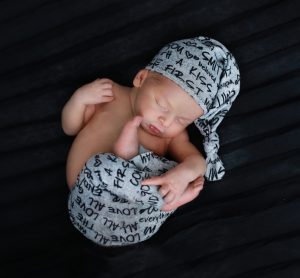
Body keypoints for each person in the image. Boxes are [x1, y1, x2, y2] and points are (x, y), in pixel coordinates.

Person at [62, 36, 240, 246]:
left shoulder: (173, 136)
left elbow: (198, 162)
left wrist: (183, 175)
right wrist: (79, 99)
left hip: (135, 219)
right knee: (102, 165)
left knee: (167, 173)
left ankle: (166, 200)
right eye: (163, 106)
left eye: (182, 120)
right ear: (141, 78)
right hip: (86, 196)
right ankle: (130, 162)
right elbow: (70, 128)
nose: (166, 121)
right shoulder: (110, 94)